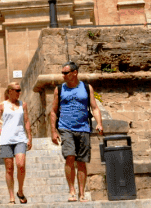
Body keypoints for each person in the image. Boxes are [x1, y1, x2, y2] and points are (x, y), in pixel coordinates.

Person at [50, 62, 104, 203]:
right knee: (70, 157)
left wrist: (99, 123)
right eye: (62, 72)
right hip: (65, 127)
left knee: (81, 162)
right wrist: (53, 131)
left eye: (65, 73)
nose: (63, 75)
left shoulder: (87, 88)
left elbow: (94, 107)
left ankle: (82, 193)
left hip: (84, 128)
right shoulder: (59, 89)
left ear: (75, 73)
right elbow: (53, 111)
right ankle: (71, 191)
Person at [0, 82, 32, 204]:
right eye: (17, 90)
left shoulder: (23, 104)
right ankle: (11, 197)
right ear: (10, 91)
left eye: (20, 90)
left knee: (21, 165)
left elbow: (26, 121)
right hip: (6, 140)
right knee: (9, 169)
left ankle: (20, 191)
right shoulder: (2, 105)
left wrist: (29, 137)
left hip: (20, 138)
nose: (19, 92)